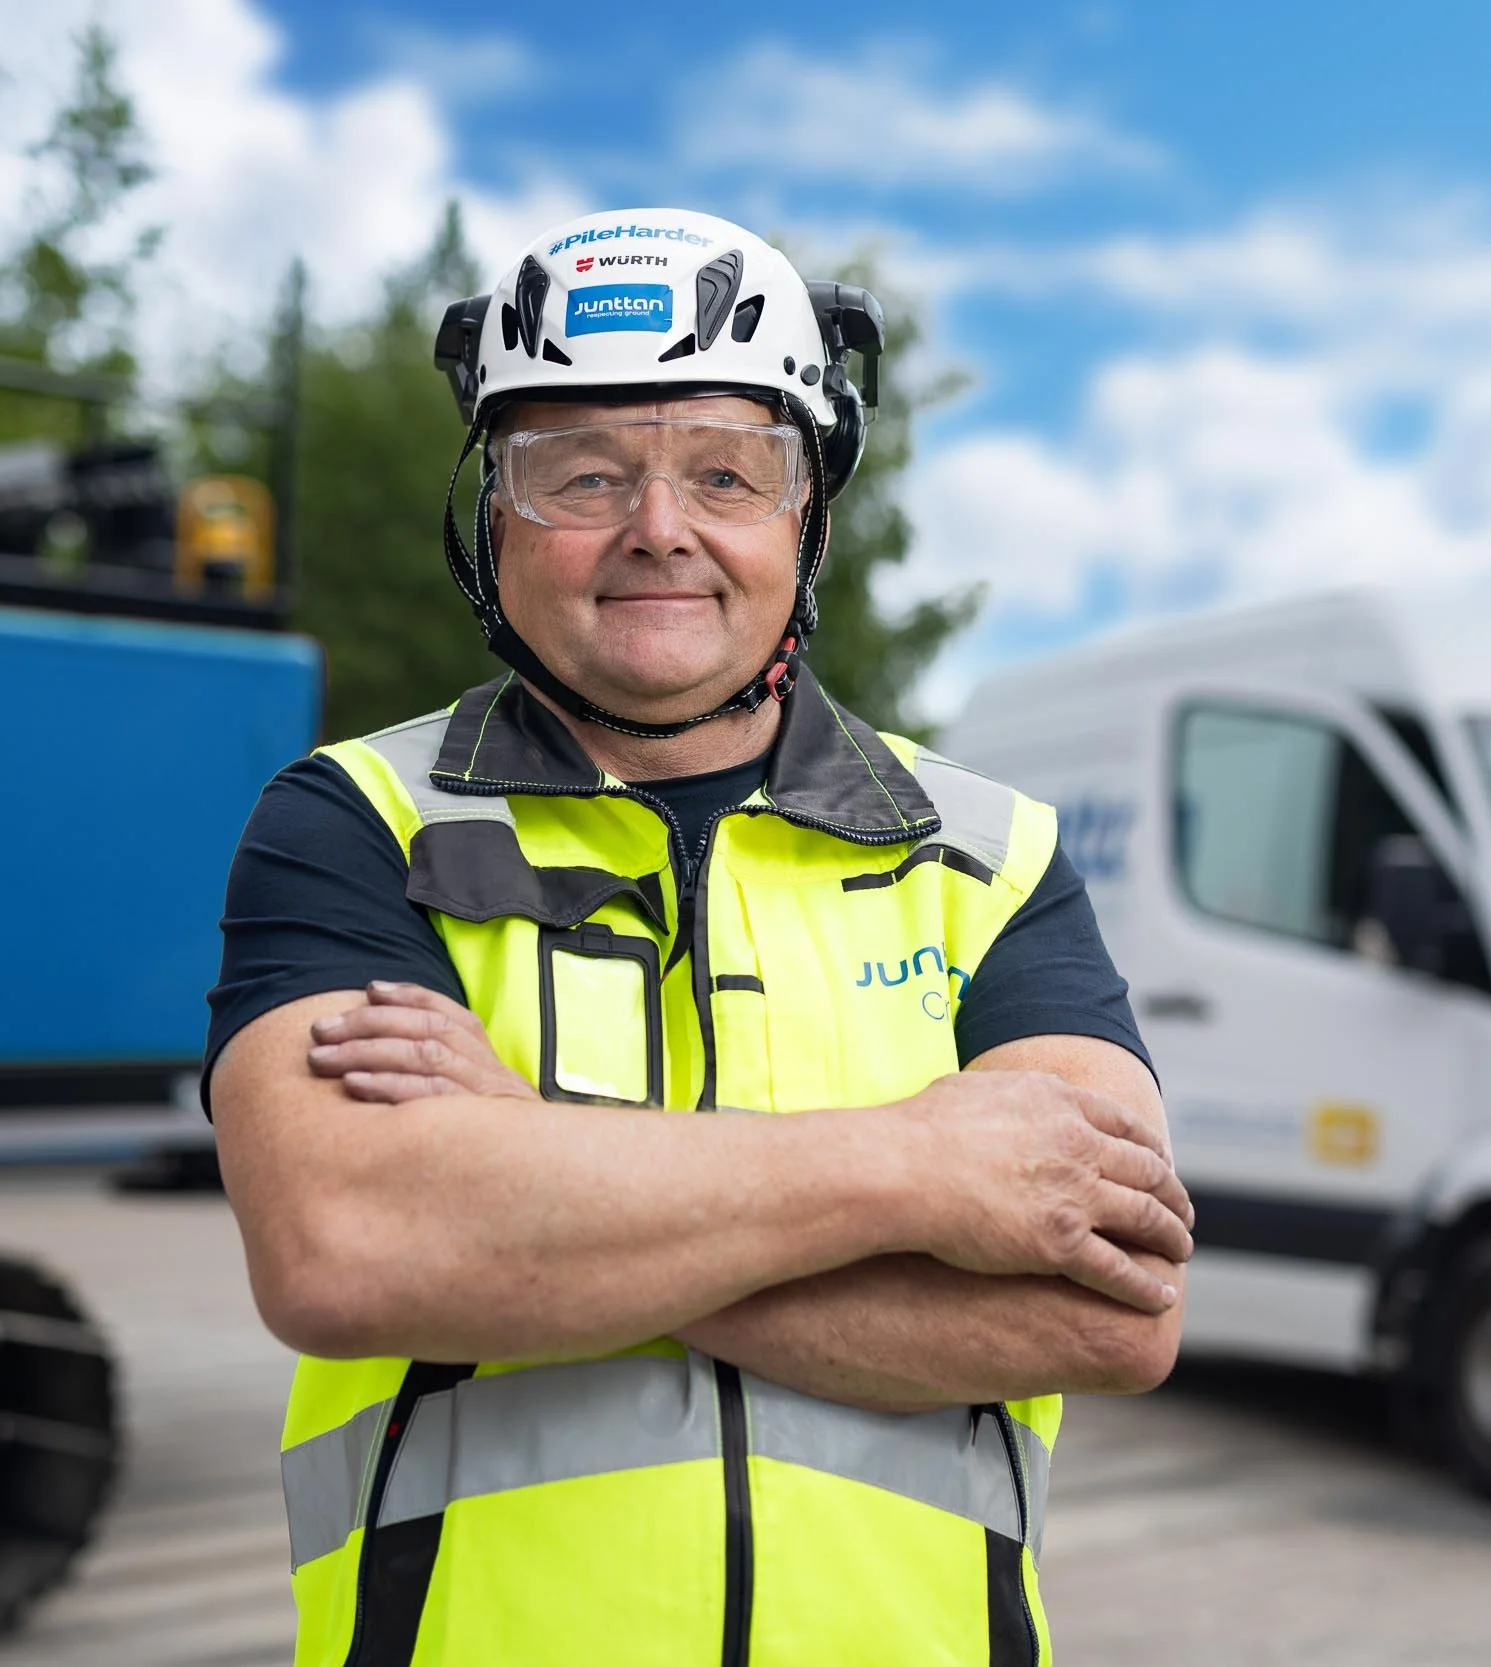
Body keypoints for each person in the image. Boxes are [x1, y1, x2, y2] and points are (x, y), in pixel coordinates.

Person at [205, 208, 1191, 1667]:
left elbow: (1114, 1310)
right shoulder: (355, 823)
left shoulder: (989, 855)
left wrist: (529, 1165)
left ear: (808, 515)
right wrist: (921, 1163)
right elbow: (348, 1250)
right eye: (582, 473)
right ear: (495, 521)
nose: (659, 527)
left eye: (728, 471)